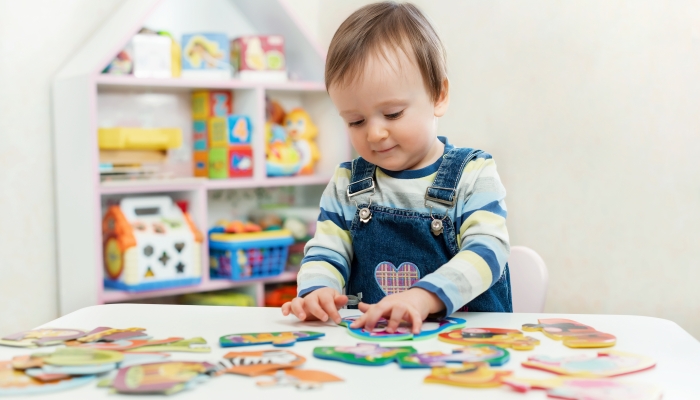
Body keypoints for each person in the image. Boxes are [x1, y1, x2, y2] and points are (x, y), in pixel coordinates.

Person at [281, 1, 511, 334]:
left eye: (392, 114)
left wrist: (423, 297)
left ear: (438, 95)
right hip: (377, 348)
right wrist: (317, 291)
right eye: (356, 121)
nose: (374, 133)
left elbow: (488, 251)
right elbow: (325, 251)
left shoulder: (473, 174)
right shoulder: (347, 183)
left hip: (466, 348)